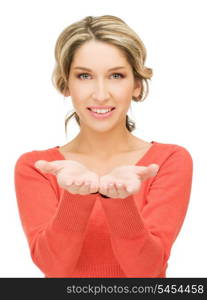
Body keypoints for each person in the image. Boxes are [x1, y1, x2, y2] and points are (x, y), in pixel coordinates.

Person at [14, 15, 193, 278]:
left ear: (137, 85)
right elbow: (54, 268)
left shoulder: (167, 161)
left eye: (116, 75)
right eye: (84, 75)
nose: (100, 94)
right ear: (66, 84)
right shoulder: (39, 168)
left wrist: (118, 201)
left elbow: (147, 272)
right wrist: (76, 195)